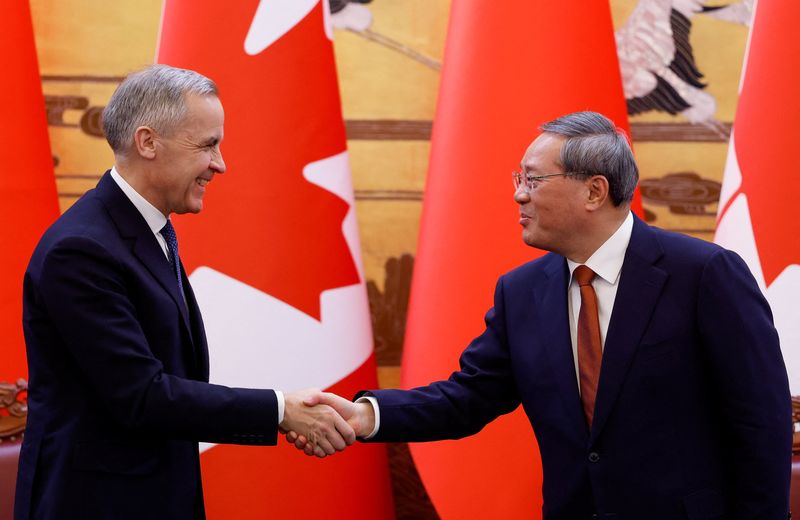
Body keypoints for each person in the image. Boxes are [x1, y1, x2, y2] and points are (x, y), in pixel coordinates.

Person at [289, 111, 793, 518]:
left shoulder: (703, 275)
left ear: (594, 191)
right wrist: (364, 415)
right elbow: (467, 398)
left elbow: (761, 421)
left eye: (533, 179)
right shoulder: (522, 291)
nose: (518, 193)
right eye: (519, 179)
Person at [15, 65, 353, 520]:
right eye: (207, 145)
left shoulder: (144, 230)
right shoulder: (81, 250)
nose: (220, 164)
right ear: (148, 142)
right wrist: (279, 410)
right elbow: (141, 396)